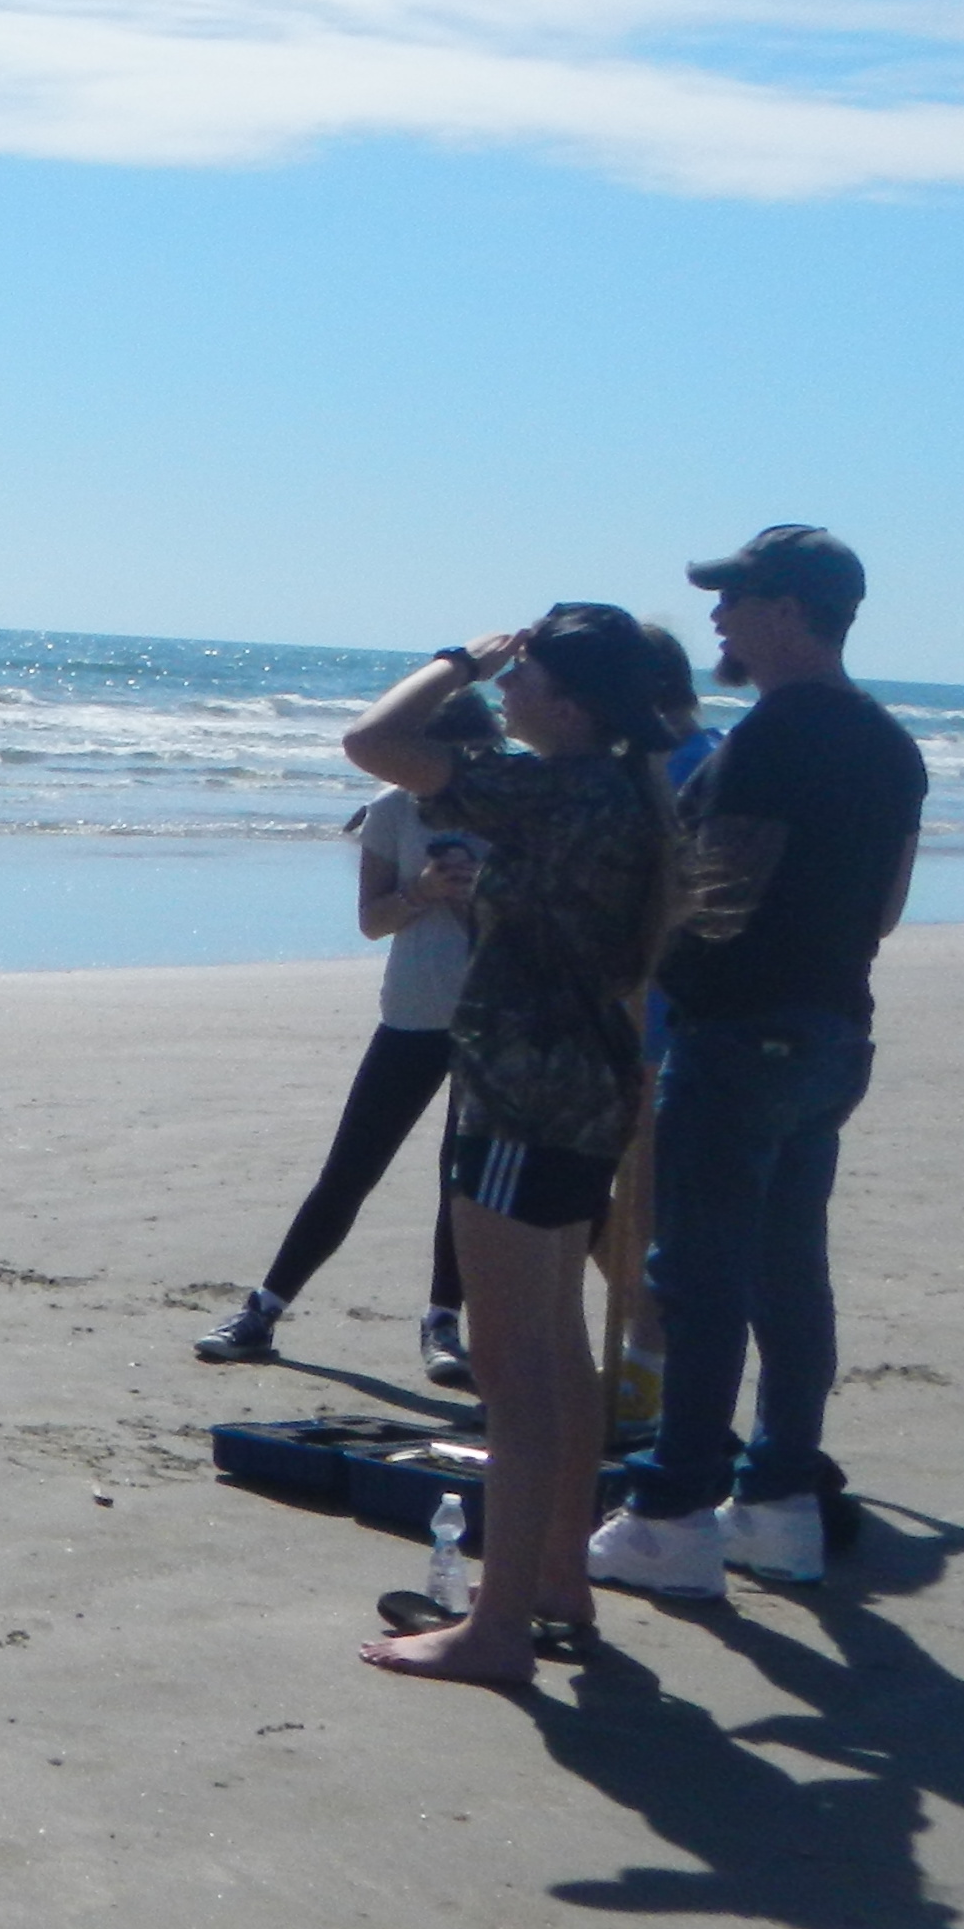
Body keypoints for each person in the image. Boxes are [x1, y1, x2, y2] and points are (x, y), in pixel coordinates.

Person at [338, 604, 695, 1689]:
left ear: (575, 708)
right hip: (586, 1089)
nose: (507, 693)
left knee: (513, 1366)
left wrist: (457, 659)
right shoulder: (627, 787)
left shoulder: (563, 787)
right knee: (558, 1349)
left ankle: (496, 1628)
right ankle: (555, 1582)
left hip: (523, 1096)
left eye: (527, 679)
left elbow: (373, 746)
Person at [587, 527, 926, 1605]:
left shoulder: (778, 736)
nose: (721, 621)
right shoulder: (890, 743)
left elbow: (718, 898)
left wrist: (648, 978)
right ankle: (777, 1502)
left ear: (789, 609)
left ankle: (674, 1510)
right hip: (833, 1027)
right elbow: (886, 907)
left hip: (745, 1036)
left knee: (697, 1275)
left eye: (735, 600)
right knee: (786, 1270)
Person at [192, 675, 497, 1383]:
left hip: (492, 1021)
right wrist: (422, 892)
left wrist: (474, 896)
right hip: (413, 1013)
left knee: (463, 1177)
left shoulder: (510, 812)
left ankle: (442, 1323)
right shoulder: (394, 810)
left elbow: (521, 935)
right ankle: (263, 1309)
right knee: (352, 1168)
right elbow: (371, 921)